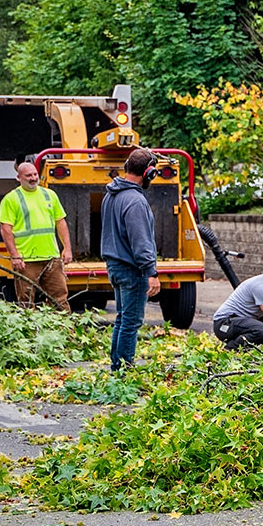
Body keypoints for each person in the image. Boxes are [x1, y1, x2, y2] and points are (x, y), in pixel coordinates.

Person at [99, 147, 162, 371]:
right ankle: (124, 370)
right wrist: (151, 272)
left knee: (123, 318)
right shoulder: (135, 201)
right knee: (131, 321)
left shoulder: (111, 195)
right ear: (149, 173)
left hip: (115, 265)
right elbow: (141, 240)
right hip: (131, 268)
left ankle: (117, 366)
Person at [0, 161, 71, 310]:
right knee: (26, 303)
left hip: (51, 257)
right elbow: (6, 229)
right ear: (19, 178)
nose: (33, 178)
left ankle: (64, 332)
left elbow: (60, 222)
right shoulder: (12, 199)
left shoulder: (49, 195)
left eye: (35, 174)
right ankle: (30, 332)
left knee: (60, 300)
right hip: (27, 260)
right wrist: (15, 255)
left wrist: (67, 248)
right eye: (28, 175)